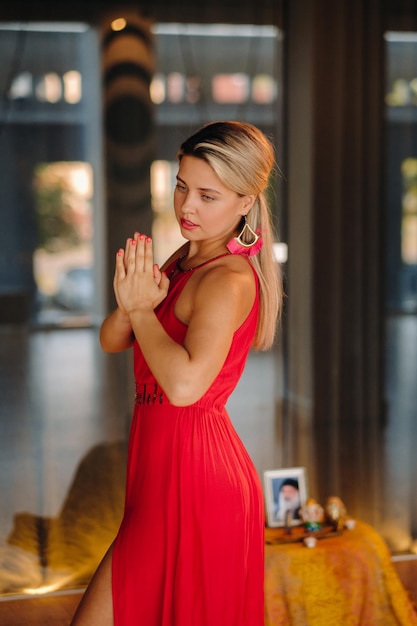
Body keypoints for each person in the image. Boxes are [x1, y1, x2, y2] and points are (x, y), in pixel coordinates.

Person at [70, 120, 283, 626]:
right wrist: (130, 306)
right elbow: (111, 339)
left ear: (246, 201)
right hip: (159, 474)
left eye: (208, 195)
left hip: (199, 483)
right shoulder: (185, 259)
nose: (187, 206)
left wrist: (143, 312)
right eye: (181, 185)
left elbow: (185, 387)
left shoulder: (228, 280)